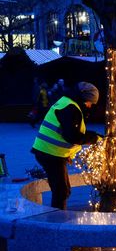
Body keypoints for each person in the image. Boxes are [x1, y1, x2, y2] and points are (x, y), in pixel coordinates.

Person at [31, 81, 101, 209]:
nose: (90, 106)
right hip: (50, 154)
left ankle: (58, 216)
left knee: (63, 190)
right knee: (61, 191)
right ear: (85, 98)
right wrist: (94, 138)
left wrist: (95, 136)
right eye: (90, 102)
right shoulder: (71, 107)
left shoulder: (67, 103)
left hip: (49, 152)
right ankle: (57, 221)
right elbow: (72, 136)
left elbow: (70, 132)